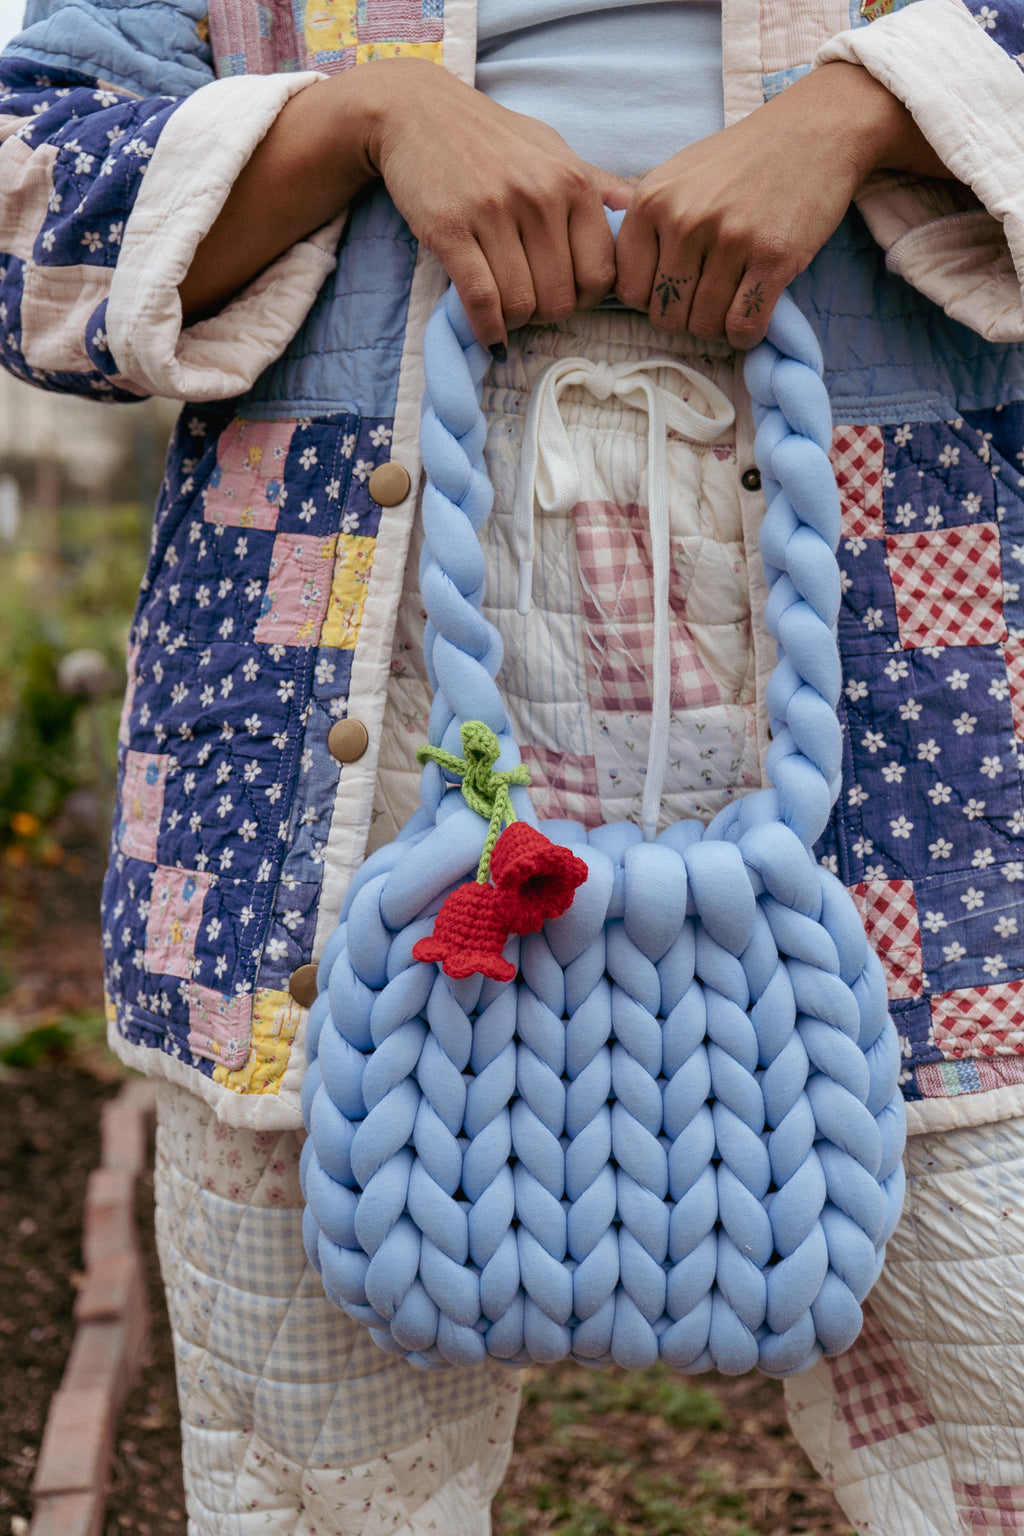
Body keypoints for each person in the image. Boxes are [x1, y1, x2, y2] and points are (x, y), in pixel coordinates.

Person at [3, 0, 1024, 1529]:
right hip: (331, 666)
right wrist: (363, 120)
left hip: (906, 668)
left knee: (990, 1342)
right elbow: (32, 210)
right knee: (317, 1455)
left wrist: (868, 105)